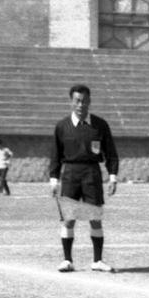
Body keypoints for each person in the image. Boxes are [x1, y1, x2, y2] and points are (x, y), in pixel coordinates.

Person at [49, 84, 119, 273]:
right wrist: (54, 178)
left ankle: (97, 260)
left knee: (95, 218)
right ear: (71, 102)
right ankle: (67, 260)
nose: (81, 105)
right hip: (70, 173)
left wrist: (113, 176)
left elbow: (111, 152)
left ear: (89, 102)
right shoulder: (62, 126)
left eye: (85, 101)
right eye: (77, 101)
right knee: (69, 219)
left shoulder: (100, 125)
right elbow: (55, 154)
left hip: (91, 173)